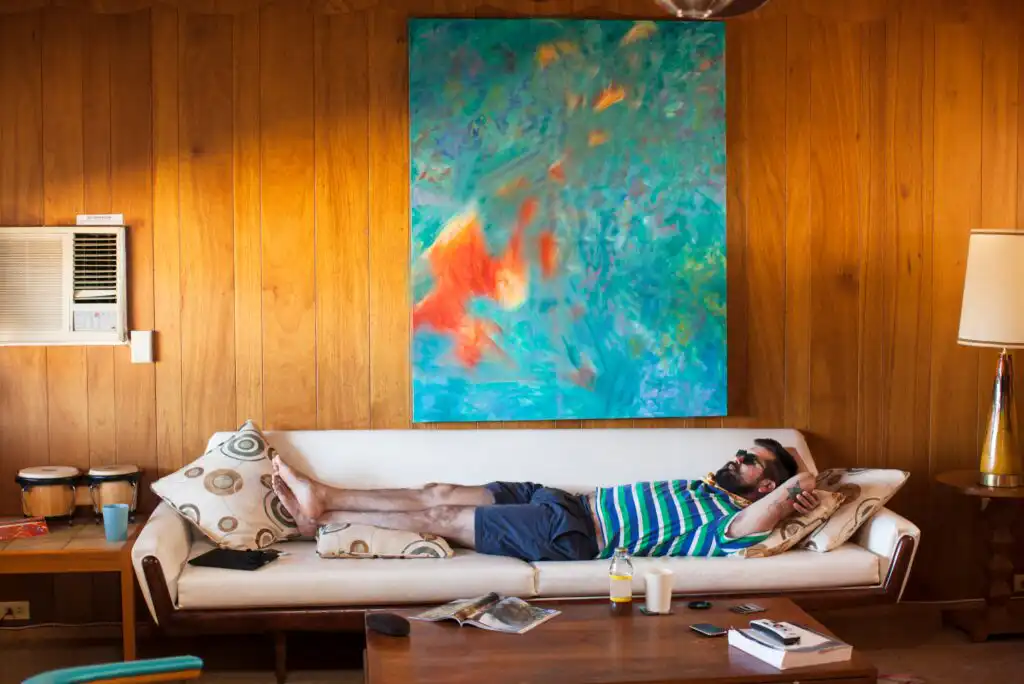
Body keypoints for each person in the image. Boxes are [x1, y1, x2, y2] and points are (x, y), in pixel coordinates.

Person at [271, 437, 820, 562]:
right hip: (563, 502)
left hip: (574, 536)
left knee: (440, 517)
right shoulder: (705, 484)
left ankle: (314, 522)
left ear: (768, 487)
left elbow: (797, 483)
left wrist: (805, 478)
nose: (738, 459)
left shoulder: (729, 520)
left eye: (752, 462)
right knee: (433, 491)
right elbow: (786, 467)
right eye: (744, 451)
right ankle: (323, 500)